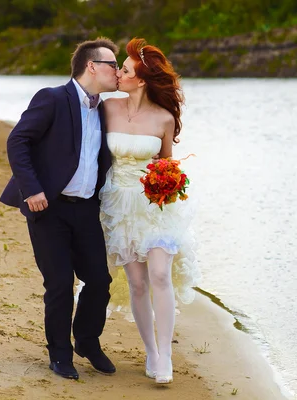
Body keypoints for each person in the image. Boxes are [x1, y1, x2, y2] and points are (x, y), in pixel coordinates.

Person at [0, 38, 119, 380]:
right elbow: (17, 140)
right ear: (92, 66)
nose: (117, 70)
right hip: (49, 208)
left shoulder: (105, 109)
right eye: (113, 64)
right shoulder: (52, 98)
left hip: (86, 210)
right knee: (60, 283)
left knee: (99, 280)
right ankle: (60, 355)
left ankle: (87, 341)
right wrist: (32, 189)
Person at [100, 37, 201, 384]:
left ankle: (167, 354)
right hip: (118, 204)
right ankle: (151, 352)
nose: (117, 74)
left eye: (124, 70)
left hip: (154, 205)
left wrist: (168, 183)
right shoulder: (107, 108)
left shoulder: (163, 119)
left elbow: (168, 164)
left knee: (159, 274)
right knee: (138, 283)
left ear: (140, 80)